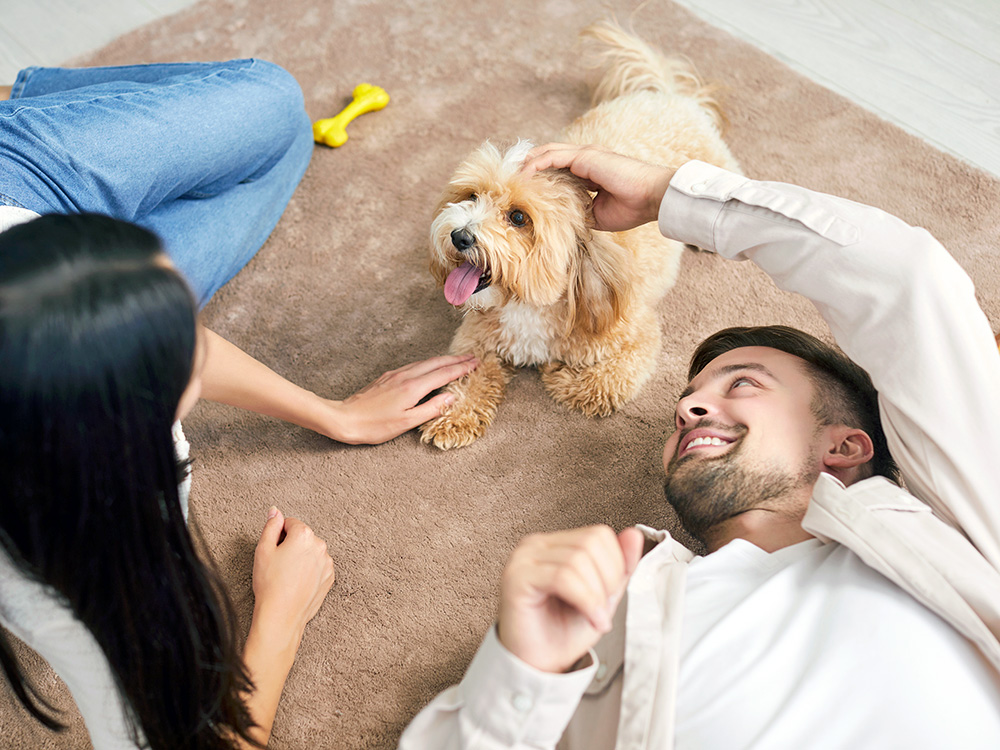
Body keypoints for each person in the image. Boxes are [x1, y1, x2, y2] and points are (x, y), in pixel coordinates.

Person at [399, 143, 1000, 749]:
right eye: (688, 398)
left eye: (742, 384)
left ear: (844, 447)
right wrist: (521, 667)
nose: (687, 407)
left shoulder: (956, 526)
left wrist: (668, 195)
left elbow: (908, 278)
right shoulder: (617, 615)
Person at [0, 60, 477, 446]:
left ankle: (26, 104)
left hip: (14, 190)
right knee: (286, 139)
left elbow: (154, 336)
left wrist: (336, 416)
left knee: (276, 100)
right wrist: (337, 416)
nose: (188, 340)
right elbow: (155, 338)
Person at [0, 213, 335, 748]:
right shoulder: (78, 583)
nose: (202, 341)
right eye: (184, 348)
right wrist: (282, 614)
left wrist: (333, 413)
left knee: (284, 138)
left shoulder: (23, 270)